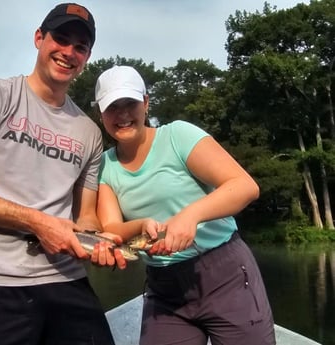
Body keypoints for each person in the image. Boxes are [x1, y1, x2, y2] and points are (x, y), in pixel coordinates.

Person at [0, 4, 119, 345]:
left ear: (87, 56)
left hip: (65, 280)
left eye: (80, 47)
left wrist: (98, 245)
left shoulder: (89, 132)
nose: (68, 52)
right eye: (60, 39)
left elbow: (87, 217)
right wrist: (37, 223)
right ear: (38, 38)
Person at [93, 65, 276, 345]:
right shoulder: (106, 165)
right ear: (101, 114)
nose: (123, 114)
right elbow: (112, 227)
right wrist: (142, 224)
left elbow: (244, 186)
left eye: (130, 103)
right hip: (164, 290)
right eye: (112, 107)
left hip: (224, 275)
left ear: (146, 102)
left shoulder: (177, 136)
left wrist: (191, 215)